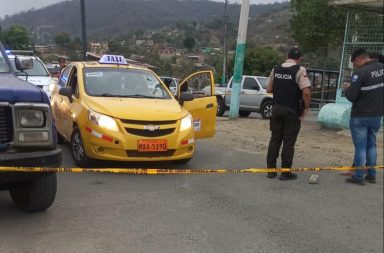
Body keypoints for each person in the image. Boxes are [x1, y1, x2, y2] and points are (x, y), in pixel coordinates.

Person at [265, 46, 311, 180]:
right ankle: (285, 172)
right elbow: (306, 92)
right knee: (288, 142)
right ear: (300, 58)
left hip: (276, 109)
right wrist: (306, 108)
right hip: (291, 111)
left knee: (275, 139)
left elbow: (268, 89)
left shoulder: (276, 68)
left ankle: (271, 171)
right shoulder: (300, 70)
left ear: (287, 56)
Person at [344, 48, 384, 185]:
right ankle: (371, 175)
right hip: (377, 115)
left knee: (360, 146)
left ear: (358, 59)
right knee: (371, 145)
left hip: (360, 116)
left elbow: (351, 96)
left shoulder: (360, 73)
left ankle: (359, 176)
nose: (355, 66)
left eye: (354, 64)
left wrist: (347, 88)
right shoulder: (382, 68)